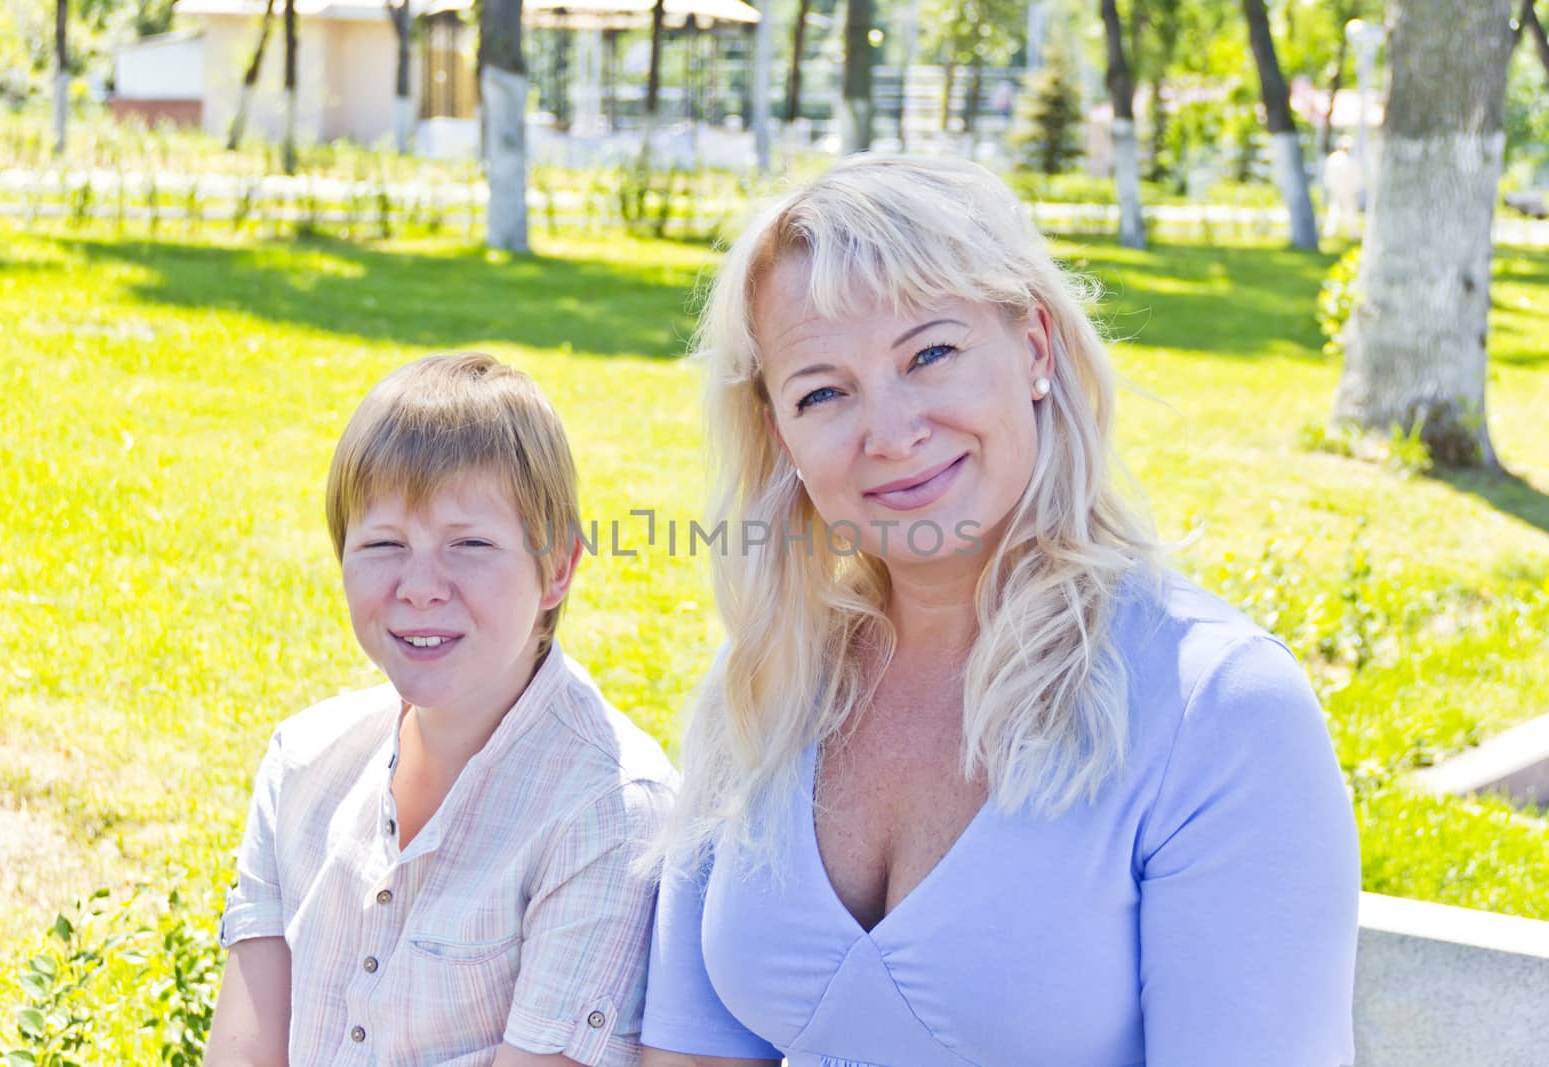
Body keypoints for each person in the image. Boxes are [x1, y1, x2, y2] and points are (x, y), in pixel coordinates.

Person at [639, 156, 1359, 1067]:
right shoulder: (764, 684)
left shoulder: (1217, 709)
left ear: (1034, 350)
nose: (892, 431)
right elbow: (691, 1053)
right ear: (780, 430)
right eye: (823, 391)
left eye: (930, 353)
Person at [208, 353, 676, 1066]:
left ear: (557, 568)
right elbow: (243, 1050)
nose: (420, 586)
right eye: (383, 543)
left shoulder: (608, 812)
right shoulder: (303, 761)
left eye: (469, 544)